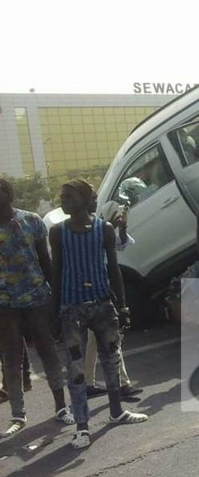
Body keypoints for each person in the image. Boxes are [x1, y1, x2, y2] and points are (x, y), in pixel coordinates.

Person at [50, 179, 147, 450]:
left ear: (83, 199)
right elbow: (56, 273)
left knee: (111, 360)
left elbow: (113, 269)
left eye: (68, 196)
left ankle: (116, 411)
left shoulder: (103, 229)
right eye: (62, 196)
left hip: (103, 304)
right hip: (71, 308)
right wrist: (54, 312)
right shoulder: (58, 232)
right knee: (76, 370)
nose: (62, 200)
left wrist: (124, 306)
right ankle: (82, 426)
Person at [0, 178, 75, 437]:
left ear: (8, 194)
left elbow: (46, 261)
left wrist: (56, 299)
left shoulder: (31, 221)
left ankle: (61, 406)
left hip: (37, 299)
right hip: (5, 304)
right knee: (11, 359)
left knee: (48, 352)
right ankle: (17, 415)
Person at [83, 200, 142, 398]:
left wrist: (122, 227)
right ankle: (122, 385)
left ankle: (88, 383)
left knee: (95, 340)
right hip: (98, 290)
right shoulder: (94, 229)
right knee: (112, 338)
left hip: (101, 290)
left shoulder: (104, 229)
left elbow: (122, 244)